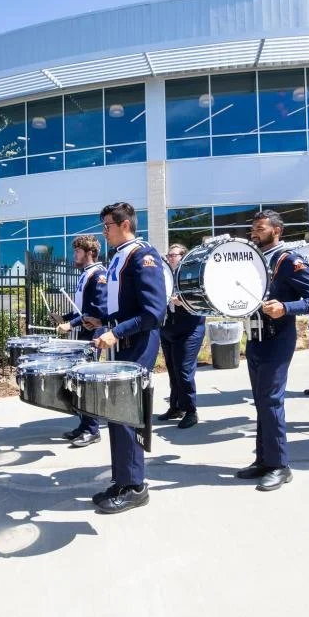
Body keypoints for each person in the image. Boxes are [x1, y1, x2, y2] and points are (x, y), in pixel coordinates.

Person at [82, 202, 167, 514]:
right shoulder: (119, 256)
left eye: (107, 225)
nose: (103, 231)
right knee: (116, 416)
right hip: (123, 342)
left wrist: (116, 333)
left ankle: (135, 487)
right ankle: (122, 480)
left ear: (125, 225)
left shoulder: (144, 255)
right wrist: (102, 323)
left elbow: (153, 313)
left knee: (128, 415)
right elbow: (121, 308)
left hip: (139, 343)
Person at [239, 210, 309, 491]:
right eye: (253, 228)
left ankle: (280, 465)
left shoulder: (290, 260)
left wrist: (286, 308)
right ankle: (264, 459)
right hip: (255, 338)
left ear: (276, 230)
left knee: (272, 401)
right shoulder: (254, 259)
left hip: (278, 337)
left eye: (260, 228)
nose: (254, 232)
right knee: (261, 401)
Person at [55, 234, 107, 447]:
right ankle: (84, 424)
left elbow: (98, 310)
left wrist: (71, 324)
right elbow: (82, 309)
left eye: (78, 251)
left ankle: (92, 429)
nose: (74, 255)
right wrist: (65, 318)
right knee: (79, 380)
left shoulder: (99, 274)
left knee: (88, 382)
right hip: (84, 334)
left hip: (94, 335)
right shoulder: (86, 274)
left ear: (90, 253)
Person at [157, 243, 206, 429]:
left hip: (189, 329)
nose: (169, 258)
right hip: (169, 328)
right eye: (168, 255)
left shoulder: (192, 275)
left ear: (183, 256)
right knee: (172, 370)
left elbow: (203, 300)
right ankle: (176, 407)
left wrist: (183, 302)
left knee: (184, 370)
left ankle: (191, 411)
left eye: (173, 255)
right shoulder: (165, 277)